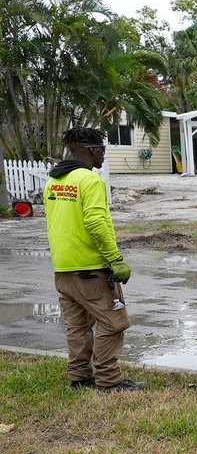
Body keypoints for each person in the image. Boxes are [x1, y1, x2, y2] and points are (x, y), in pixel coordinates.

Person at [43, 127, 143, 392]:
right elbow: (96, 223)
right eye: (102, 150)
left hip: (63, 269)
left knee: (77, 326)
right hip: (91, 269)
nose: (103, 155)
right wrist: (116, 259)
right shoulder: (89, 180)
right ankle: (109, 380)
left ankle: (79, 377)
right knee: (114, 323)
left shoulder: (55, 181)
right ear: (91, 150)